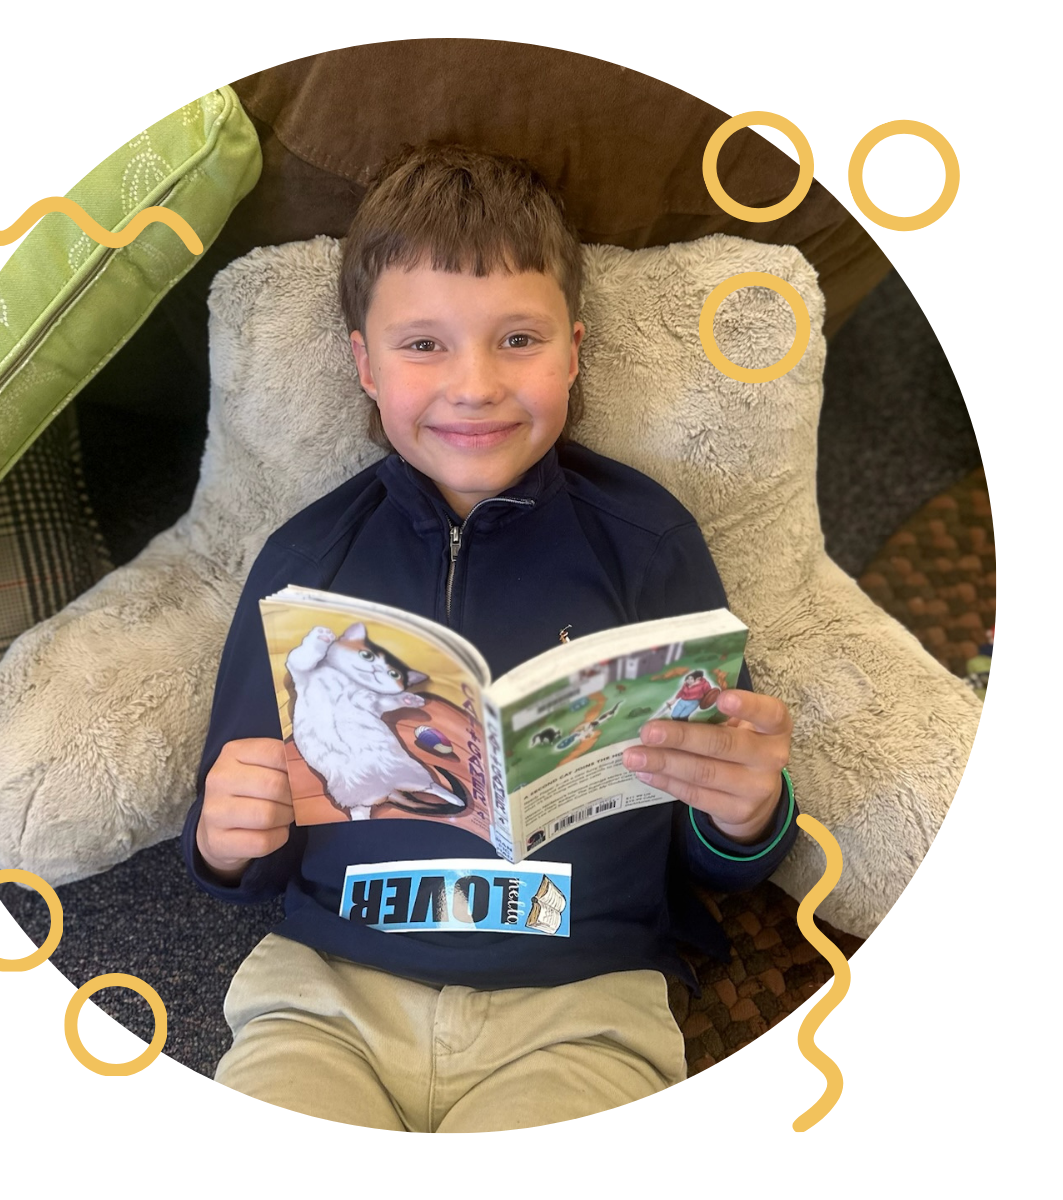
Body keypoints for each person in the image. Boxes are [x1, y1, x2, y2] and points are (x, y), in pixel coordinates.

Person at [182, 144, 799, 1131]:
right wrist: (223, 840)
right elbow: (240, 860)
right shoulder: (306, 559)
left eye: (518, 339)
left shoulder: (648, 543)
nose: (475, 385)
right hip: (328, 995)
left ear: (575, 350)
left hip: (581, 1006)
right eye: (424, 345)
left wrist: (749, 808)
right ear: (363, 365)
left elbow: (719, 855)